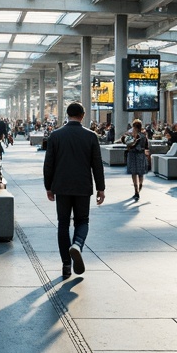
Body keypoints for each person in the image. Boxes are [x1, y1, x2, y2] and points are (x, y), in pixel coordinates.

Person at [43, 102, 105, 280]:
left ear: (67, 114)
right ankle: (77, 245)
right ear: (83, 115)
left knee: (63, 224)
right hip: (83, 186)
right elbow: (97, 164)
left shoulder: (55, 135)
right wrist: (100, 188)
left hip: (61, 186)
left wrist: (49, 186)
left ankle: (66, 265)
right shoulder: (91, 136)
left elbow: (49, 165)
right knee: (82, 221)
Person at [121, 119, 148, 202]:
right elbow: (146, 145)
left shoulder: (131, 135)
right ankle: (140, 185)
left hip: (132, 154)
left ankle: (136, 190)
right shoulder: (144, 135)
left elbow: (126, 142)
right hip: (141, 155)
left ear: (134, 127)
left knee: (133, 173)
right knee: (140, 173)